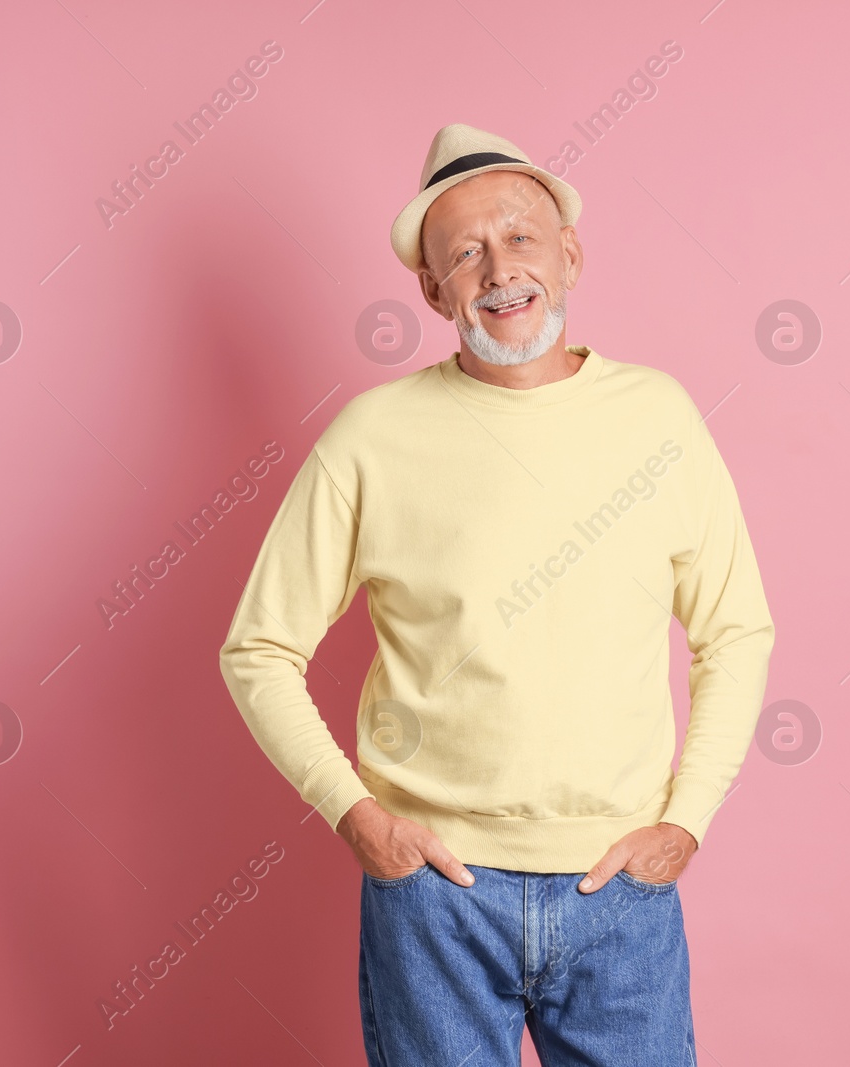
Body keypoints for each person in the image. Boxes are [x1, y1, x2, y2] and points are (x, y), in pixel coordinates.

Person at [218, 122, 774, 1067]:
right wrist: (359, 818)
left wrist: (688, 819)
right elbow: (258, 649)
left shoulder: (659, 417)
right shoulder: (373, 437)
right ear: (433, 290)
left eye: (519, 236)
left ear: (570, 253)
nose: (498, 268)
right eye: (463, 253)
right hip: (436, 894)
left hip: (619, 893)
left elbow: (736, 629)